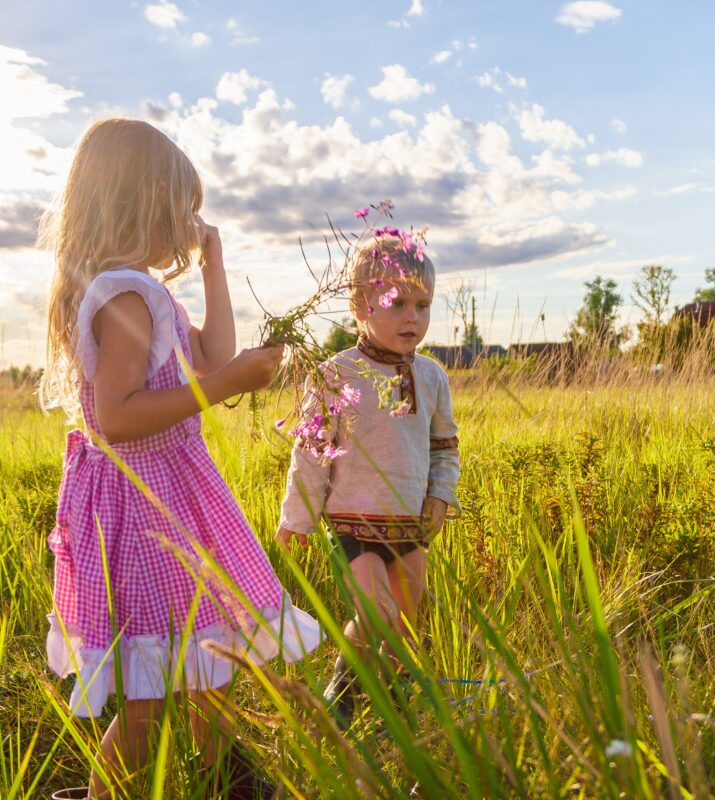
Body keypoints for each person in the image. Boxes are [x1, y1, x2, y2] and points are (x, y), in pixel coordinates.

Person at [39, 118, 321, 800]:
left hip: (166, 495)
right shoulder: (125, 294)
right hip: (143, 507)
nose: (192, 221)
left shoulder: (143, 289)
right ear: (143, 204)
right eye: (182, 206)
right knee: (149, 703)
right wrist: (225, 389)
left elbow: (213, 356)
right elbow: (118, 417)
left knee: (206, 670)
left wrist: (214, 269)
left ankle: (235, 783)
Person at [276, 233, 460, 722]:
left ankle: (391, 711)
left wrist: (440, 496)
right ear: (360, 304)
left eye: (423, 305)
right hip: (351, 520)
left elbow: (444, 445)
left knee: (403, 624)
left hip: (410, 524)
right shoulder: (336, 374)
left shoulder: (432, 376)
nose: (413, 317)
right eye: (397, 302)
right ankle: (342, 699)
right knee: (376, 613)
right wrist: (298, 517)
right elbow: (312, 451)